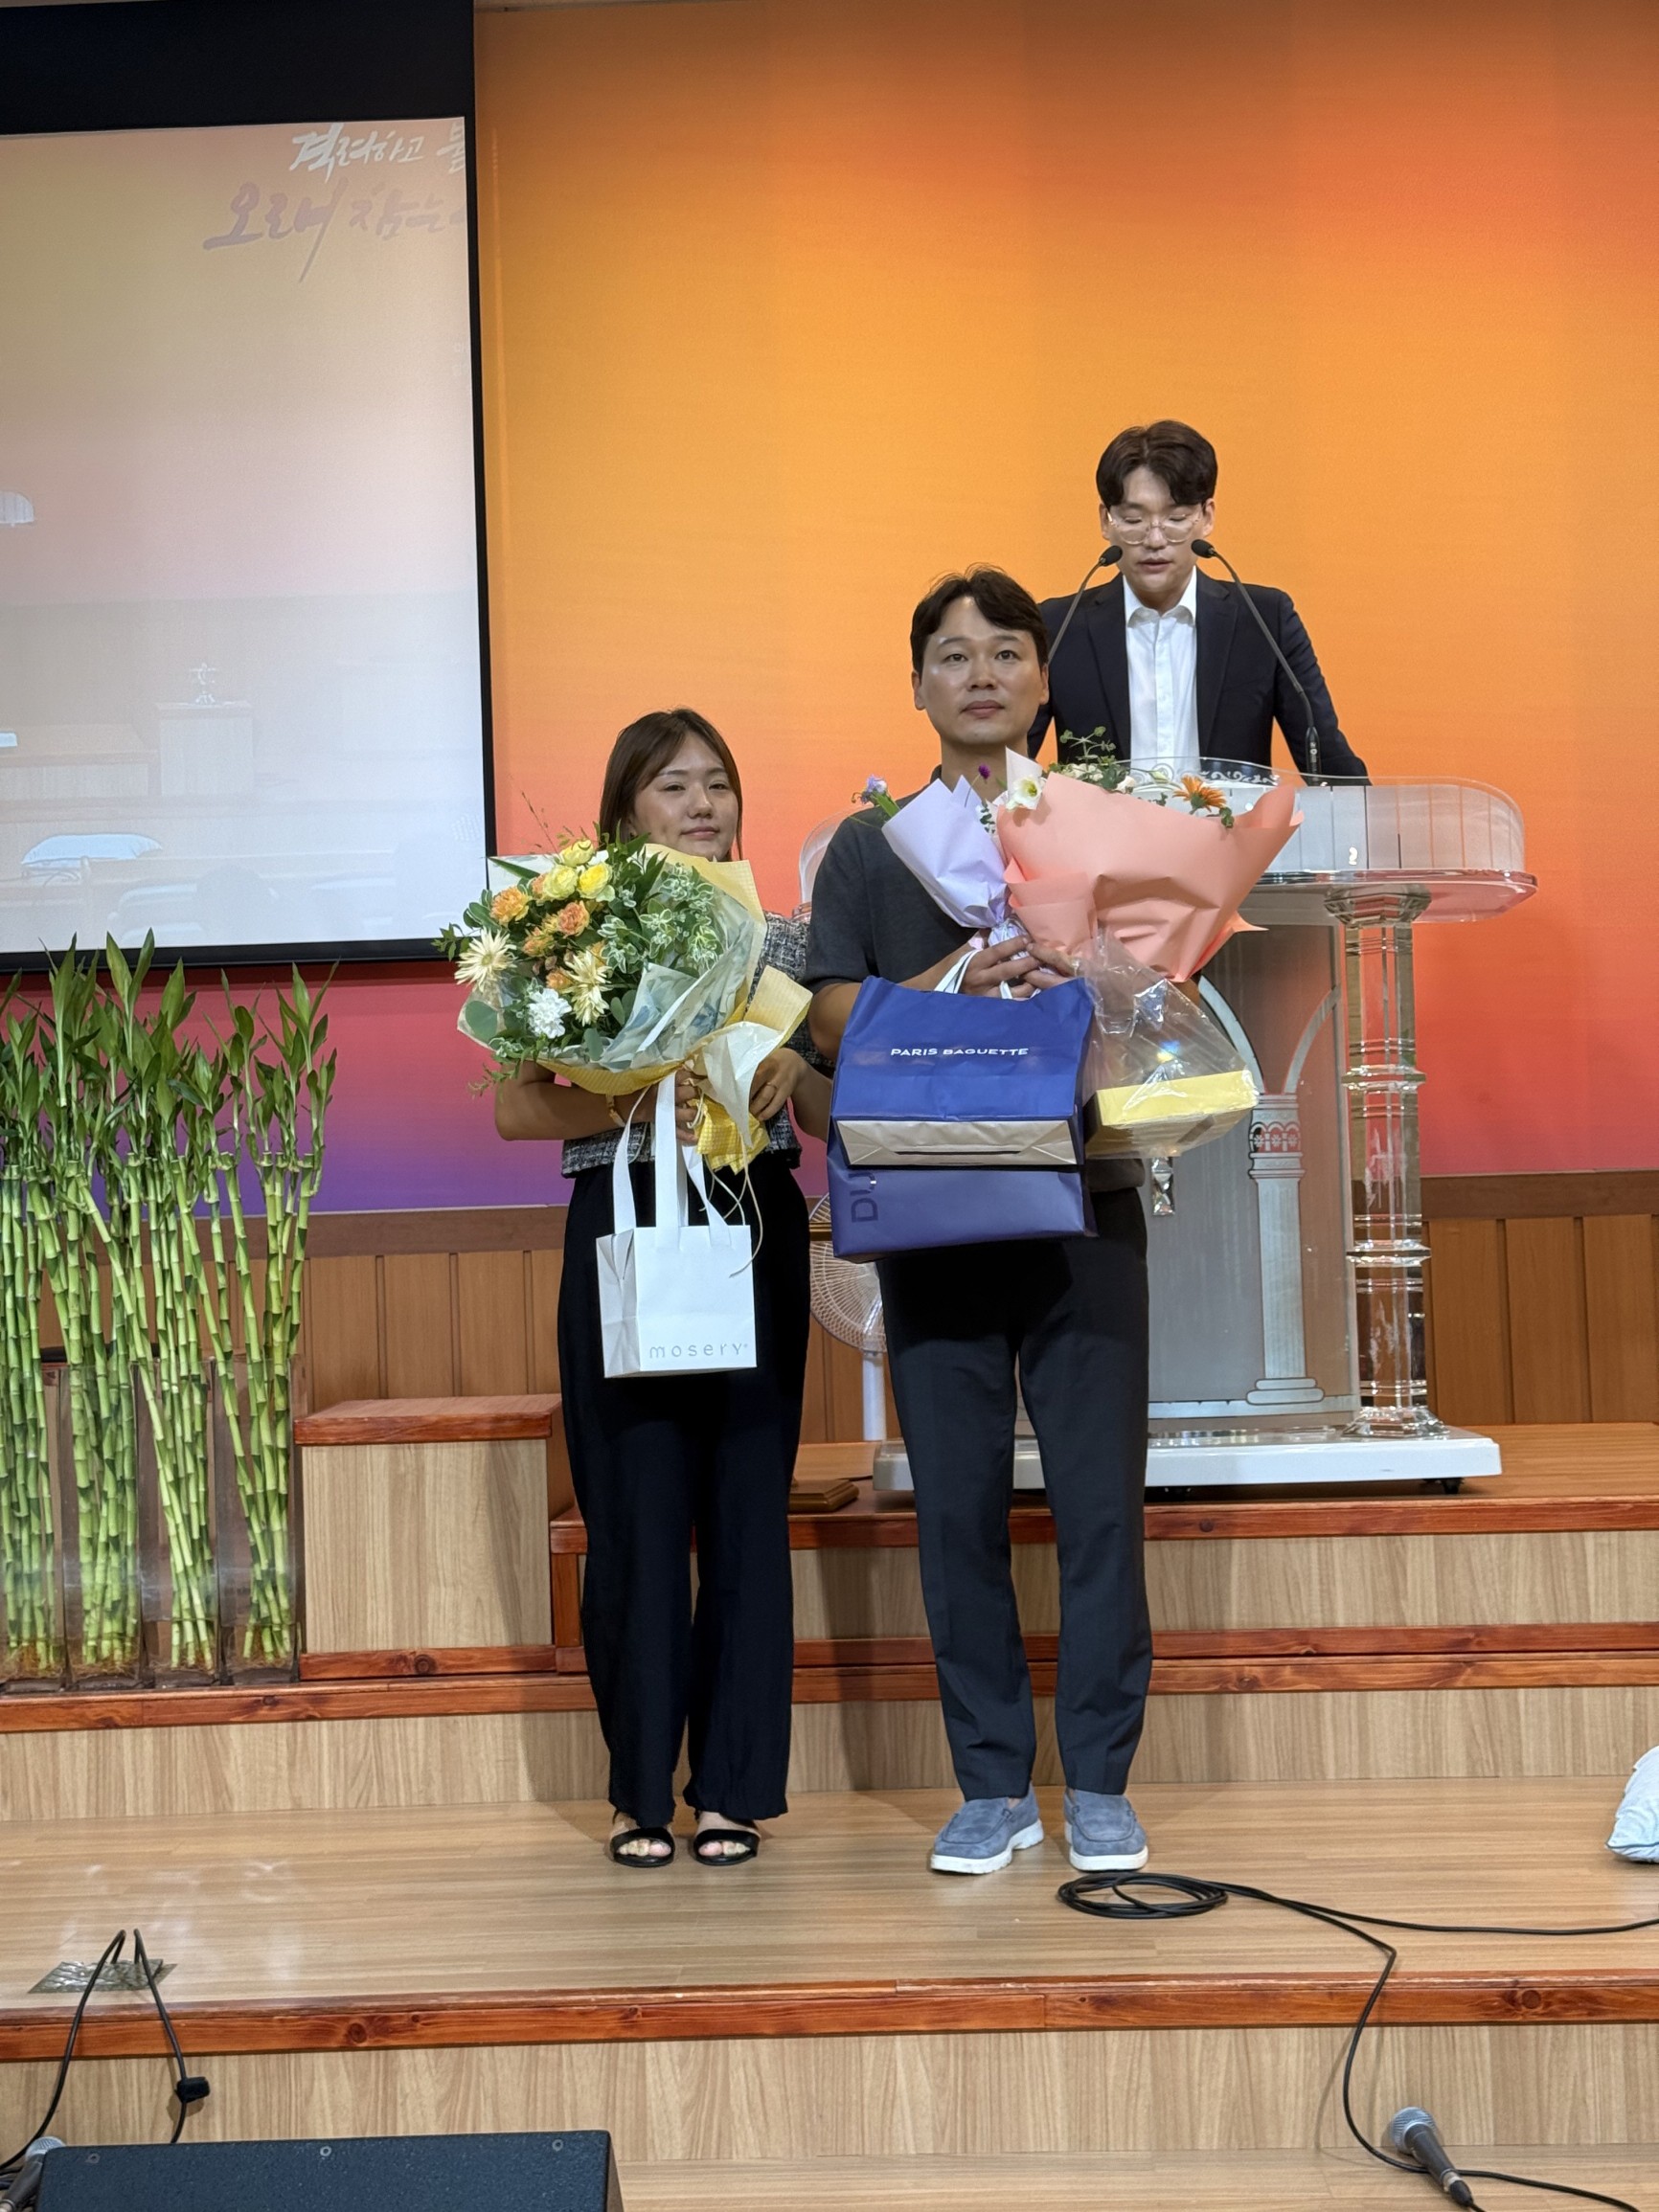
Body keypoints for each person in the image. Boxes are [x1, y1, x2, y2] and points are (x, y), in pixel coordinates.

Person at [805, 568, 1152, 1879]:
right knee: (954, 1508)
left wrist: (1086, 966)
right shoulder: (870, 846)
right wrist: (957, 974)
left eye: (1006, 651)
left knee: (1100, 1503)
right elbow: (828, 1013)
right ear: (918, 686)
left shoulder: (1101, 828)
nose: (981, 674)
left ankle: (1102, 1782)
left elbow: (1161, 983)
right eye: (953, 655)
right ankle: (992, 1784)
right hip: (937, 1201)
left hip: (1087, 1198)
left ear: (1042, 677)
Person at [496, 708, 830, 1868]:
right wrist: (633, 1093)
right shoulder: (571, 936)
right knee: (634, 1508)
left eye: (717, 783)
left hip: (751, 1223)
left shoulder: (782, 937)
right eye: (674, 785)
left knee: (744, 1505)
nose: (702, 804)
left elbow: (823, 1108)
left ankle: (731, 1789)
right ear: (624, 810)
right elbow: (514, 1108)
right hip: (625, 1223)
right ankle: (640, 1790)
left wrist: (793, 1066)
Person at [1032, 419, 1369, 780]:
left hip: (1228, 819)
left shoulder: (1265, 621)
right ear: (1106, 521)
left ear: (1207, 517)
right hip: (1099, 821)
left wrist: (1367, 813)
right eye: (1133, 519)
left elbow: (1329, 760)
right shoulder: (1058, 625)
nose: (1155, 540)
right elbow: (1009, 763)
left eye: (1176, 518)